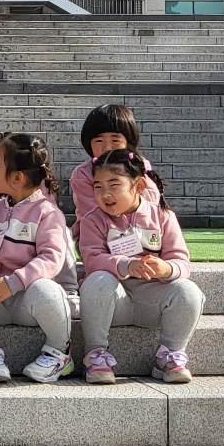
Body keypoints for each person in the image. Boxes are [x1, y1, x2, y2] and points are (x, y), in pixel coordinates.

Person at [0, 134, 75, 384]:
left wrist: (14, 283)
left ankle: (59, 352)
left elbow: (51, 258)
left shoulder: (47, 213)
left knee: (47, 289)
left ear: (17, 177)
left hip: (27, 301)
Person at [77, 149, 204, 383]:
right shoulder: (92, 220)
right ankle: (96, 355)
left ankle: (170, 356)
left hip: (153, 301)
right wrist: (126, 265)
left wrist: (165, 269)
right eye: (98, 187)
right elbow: (92, 259)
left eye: (114, 185)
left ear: (139, 186)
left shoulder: (163, 216)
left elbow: (181, 261)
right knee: (97, 280)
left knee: (188, 291)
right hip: (114, 302)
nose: (105, 194)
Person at [70, 105, 150, 230]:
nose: (107, 148)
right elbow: (93, 212)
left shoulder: (140, 165)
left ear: (128, 141)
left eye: (115, 140)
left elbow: (151, 203)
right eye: (99, 141)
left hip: (141, 230)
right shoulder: (83, 174)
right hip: (97, 232)